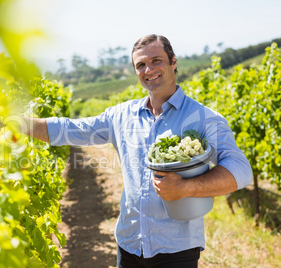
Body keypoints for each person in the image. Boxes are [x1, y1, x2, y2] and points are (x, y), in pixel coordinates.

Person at [23, 34, 252, 267]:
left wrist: (186, 187)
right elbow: (69, 129)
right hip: (129, 245)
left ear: (173, 62)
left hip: (177, 250)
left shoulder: (203, 118)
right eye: (140, 65)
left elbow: (241, 170)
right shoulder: (121, 115)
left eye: (156, 60)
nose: (148, 69)